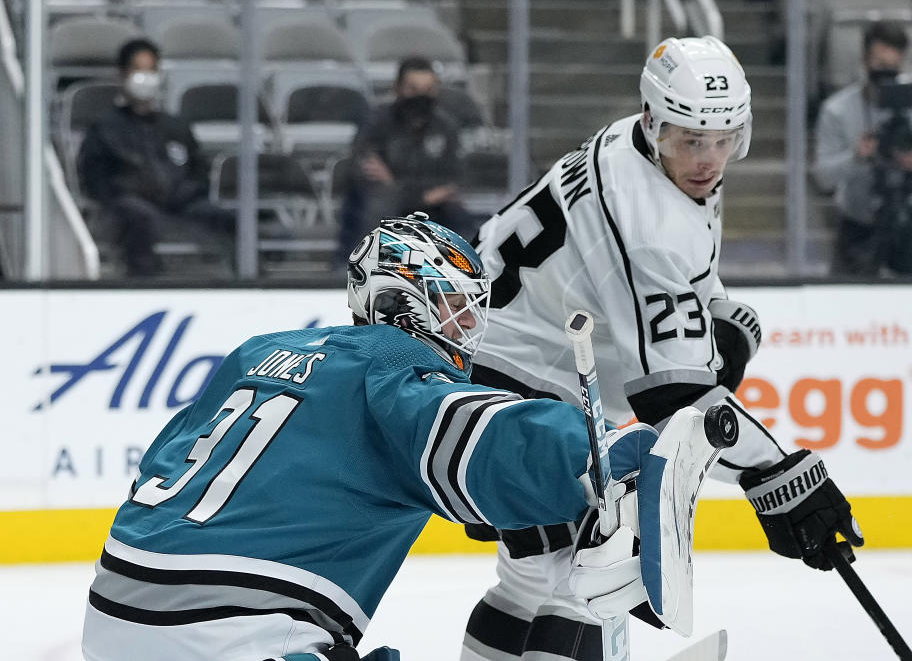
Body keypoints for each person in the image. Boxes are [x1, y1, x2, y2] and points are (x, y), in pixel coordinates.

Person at [81, 215, 709, 661]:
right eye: (453, 307)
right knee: (592, 575)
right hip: (235, 633)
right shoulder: (389, 363)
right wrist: (597, 451)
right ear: (400, 303)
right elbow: (472, 432)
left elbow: (160, 463)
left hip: (111, 613)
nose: (468, 328)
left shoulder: (260, 352)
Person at [460, 36, 865, 661]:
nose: (707, 158)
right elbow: (672, 397)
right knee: (593, 574)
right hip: (515, 387)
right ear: (655, 121)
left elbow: (679, 275)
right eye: (690, 140)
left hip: (491, 363)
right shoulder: (647, 215)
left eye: (724, 138)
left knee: (532, 577)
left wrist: (714, 319)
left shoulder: (640, 144)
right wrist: (779, 477)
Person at [77, 38, 235, 277]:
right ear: (122, 75)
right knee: (139, 219)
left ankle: (244, 283)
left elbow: (197, 171)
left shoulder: (175, 126)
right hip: (130, 206)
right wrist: (132, 192)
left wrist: (182, 193)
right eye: (138, 70)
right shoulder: (105, 129)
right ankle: (148, 286)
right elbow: (95, 180)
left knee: (228, 219)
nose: (146, 77)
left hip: (180, 202)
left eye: (152, 70)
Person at [814, 20, 912, 275]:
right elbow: (822, 176)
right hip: (859, 223)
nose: (886, 76)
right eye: (880, 67)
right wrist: (856, 157)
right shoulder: (837, 110)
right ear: (865, 60)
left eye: (893, 68)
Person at [338, 57, 476, 264]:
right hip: (387, 202)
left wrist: (398, 183)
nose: (421, 96)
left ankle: (463, 278)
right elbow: (366, 170)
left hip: (433, 204)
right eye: (413, 89)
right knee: (376, 206)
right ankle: (363, 273)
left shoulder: (446, 127)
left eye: (428, 89)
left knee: (460, 218)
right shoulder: (376, 122)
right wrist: (419, 193)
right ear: (397, 88)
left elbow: (454, 178)